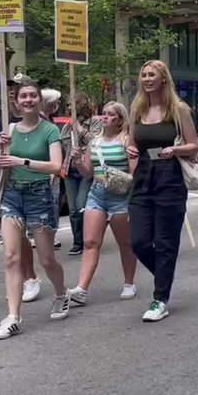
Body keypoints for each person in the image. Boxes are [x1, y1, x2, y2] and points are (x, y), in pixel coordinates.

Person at [0, 79, 68, 340]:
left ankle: (61, 293)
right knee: (12, 257)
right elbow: (2, 168)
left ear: (39, 100)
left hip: (39, 196)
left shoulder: (49, 131)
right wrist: (4, 151)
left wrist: (22, 160)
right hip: (12, 195)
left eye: (33, 96)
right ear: (16, 101)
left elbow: (56, 167)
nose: (28, 100)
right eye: (23, 96)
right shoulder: (9, 130)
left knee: (47, 259)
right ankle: (13, 317)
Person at [127, 60, 198, 322]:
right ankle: (165, 276)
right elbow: (132, 141)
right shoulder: (137, 109)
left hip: (170, 179)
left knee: (166, 241)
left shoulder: (178, 109)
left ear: (164, 79)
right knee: (138, 241)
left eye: (152, 75)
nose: (147, 79)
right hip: (143, 177)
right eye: (143, 75)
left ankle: (160, 299)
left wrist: (175, 150)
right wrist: (129, 148)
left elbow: (193, 146)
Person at [67, 102, 138, 306]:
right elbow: (88, 172)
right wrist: (79, 161)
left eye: (110, 115)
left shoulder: (126, 142)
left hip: (120, 196)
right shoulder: (95, 142)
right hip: (97, 194)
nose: (104, 117)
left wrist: (133, 198)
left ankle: (129, 282)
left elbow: (135, 173)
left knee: (125, 243)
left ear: (120, 120)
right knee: (90, 242)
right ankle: (81, 288)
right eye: (103, 114)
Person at [0, 77, 41, 302]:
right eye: (11, 92)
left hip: (36, 188)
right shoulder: (0, 124)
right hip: (9, 188)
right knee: (12, 243)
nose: (12, 95)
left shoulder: (39, 121)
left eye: (15, 91)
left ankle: (35, 277)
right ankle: (24, 279)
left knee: (43, 250)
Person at [59, 94, 103, 256]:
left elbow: (97, 141)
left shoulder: (94, 122)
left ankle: (88, 239)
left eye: (72, 104)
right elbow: (63, 144)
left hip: (86, 169)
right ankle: (77, 242)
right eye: (68, 105)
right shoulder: (67, 126)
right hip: (70, 169)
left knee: (81, 205)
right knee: (72, 209)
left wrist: (81, 130)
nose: (69, 107)